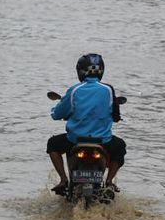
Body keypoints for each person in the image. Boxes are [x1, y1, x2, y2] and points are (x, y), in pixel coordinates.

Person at [47, 54, 126, 194]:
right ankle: (109, 182)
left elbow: (57, 114)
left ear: (80, 71)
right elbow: (115, 115)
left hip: (75, 140)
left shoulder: (74, 90)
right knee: (120, 147)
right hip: (103, 141)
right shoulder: (108, 90)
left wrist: (55, 112)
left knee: (53, 144)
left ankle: (63, 180)